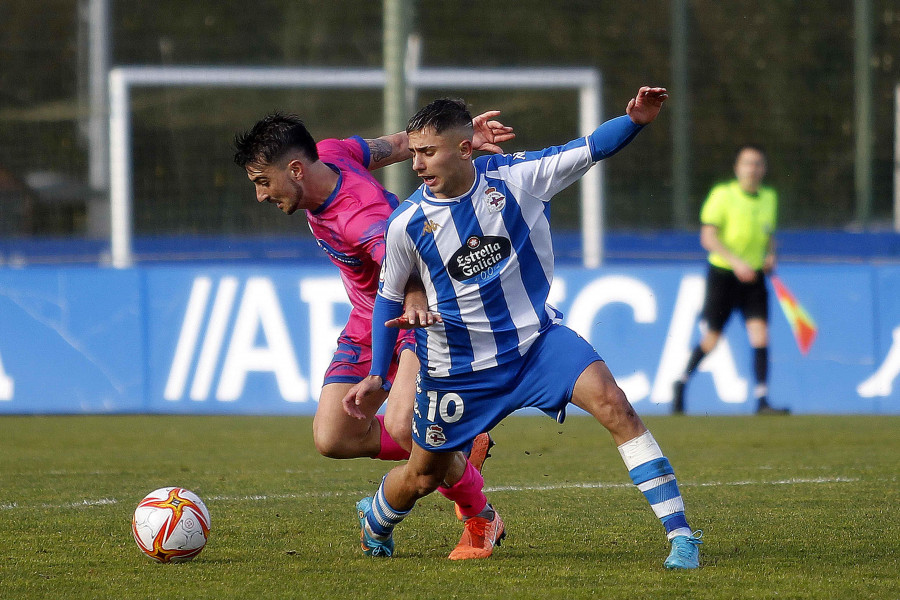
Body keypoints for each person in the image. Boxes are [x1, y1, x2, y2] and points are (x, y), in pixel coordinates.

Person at [344, 88, 703, 568]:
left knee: (615, 406)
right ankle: (378, 520)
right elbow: (389, 297)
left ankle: (681, 536)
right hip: (458, 369)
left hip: (536, 345)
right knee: (425, 475)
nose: (416, 164)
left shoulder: (519, 178)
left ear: (464, 148)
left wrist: (634, 120)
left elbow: (591, 146)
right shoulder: (406, 222)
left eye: (428, 152)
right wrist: (376, 378)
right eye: (415, 152)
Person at [232, 110, 514, 529]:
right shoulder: (332, 154)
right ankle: (456, 442)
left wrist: (415, 311)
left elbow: (409, 273)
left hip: (413, 314)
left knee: (405, 429)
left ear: (295, 170)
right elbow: (398, 146)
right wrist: (458, 136)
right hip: (367, 316)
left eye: (262, 182)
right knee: (334, 437)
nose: (260, 195)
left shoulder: (361, 218)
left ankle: (480, 515)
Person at [672, 144, 789, 415]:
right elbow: (708, 237)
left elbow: (768, 234)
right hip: (724, 275)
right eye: (747, 163)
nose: (752, 169)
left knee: (760, 335)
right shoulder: (723, 195)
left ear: (764, 169)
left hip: (755, 277)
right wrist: (736, 263)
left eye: (758, 163)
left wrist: (771, 255)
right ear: (737, 168)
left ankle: (762, 399)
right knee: (712, 338)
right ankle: (681, 383)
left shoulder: (769, 198)